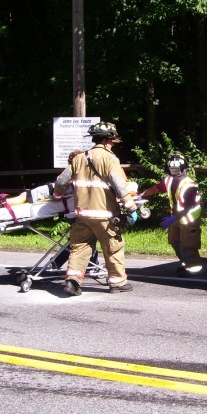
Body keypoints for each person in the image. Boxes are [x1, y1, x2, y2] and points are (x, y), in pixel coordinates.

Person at [54, 122, 138, 296]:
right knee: (113, 247)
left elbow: (61, 181)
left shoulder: (79, 158)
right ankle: (117, 282)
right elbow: (120, 186)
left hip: (82, 215)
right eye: (113, 141)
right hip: (105, 216)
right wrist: (131, 207)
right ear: (108, 140)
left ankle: (72, 281)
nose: (113, 144)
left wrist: (57, 194)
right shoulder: (110, 159)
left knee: (79, 247)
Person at [140, 151, 203, 277]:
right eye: (171, 169)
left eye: (176, 170)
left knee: (187, 245)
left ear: (184, 169)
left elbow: (187, 207)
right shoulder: (169, 180)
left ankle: (194, 269)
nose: (174, 172)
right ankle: (186, 265)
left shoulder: (190, 185)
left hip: (188, 219)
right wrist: (140, 195)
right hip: (176, 217)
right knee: (175, 242)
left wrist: (172, 219)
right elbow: (156, 188)